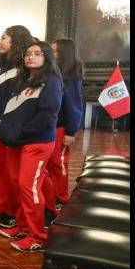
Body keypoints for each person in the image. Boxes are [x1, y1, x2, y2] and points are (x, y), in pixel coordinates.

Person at [0, 41, 63, 252]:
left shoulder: (51, 81)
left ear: (47, 57)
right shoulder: (23, 80)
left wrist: (19, 134)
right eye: (27, 54)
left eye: (37, 53)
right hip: (16, 142)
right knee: (17, 184)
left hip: (37, 142)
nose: (30, 57)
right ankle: (23, 226)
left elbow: (47, 116)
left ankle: (38, 236)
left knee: (28, 187)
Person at [0, 25, 35, 228]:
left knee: (13, 173)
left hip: (14, 128)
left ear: (15, 40)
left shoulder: (26, 67)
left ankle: (12, 212)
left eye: (3, 38)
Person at [47, 38, 84, 211]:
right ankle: (51, 196)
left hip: (62, 128)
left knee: (58, 163)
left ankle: (61, 197)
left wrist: (71, 131)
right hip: (50, 127)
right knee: (50, 164)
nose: (51, 54)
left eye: (54, 51)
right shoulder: (54, 73)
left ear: (64, 54)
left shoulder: (71, 77)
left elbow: (75, 107)